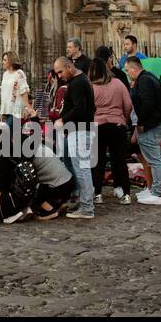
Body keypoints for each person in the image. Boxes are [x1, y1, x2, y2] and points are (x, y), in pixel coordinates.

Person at [52, 56, 96, 219]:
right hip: (79, 130)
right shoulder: (81, 80)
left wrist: (62, 120)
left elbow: (80, 108)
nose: (59, 76)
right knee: (81, 168)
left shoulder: (77, 83)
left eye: (61, 71)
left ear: (70, 67)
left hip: (79, 131)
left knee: (82, 169)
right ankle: (85, 203)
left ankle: (87, 207)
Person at [89, 57, 133, 205]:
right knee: (120, 160)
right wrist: (124, 118)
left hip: (98, 125)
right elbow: (128, 104)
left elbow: (87, 109)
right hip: (117, 125)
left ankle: (97, 193)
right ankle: (126, 193)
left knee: (98, 161)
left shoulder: (91, 87)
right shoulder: (118, 83)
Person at [125, 57, 161, 206]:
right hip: (151, 124)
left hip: (150, 125)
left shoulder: (144, 80)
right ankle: (154, 191)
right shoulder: (148, 78)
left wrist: (141, 122)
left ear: (134, 68)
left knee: (155, 160)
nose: (127, 72)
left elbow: (148, 103)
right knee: (153, 160)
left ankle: (157, 193)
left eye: (127, 69)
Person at [0, 51, 33, 130]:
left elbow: (24, 91)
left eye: (5, 60)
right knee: (11, 137)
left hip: (16, 110)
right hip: (6, 110)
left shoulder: (19, 73)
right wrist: (2, 112)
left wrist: (27, 108)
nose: (2, 62)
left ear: (11, 61)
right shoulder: (5, 74)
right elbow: (4, 93)